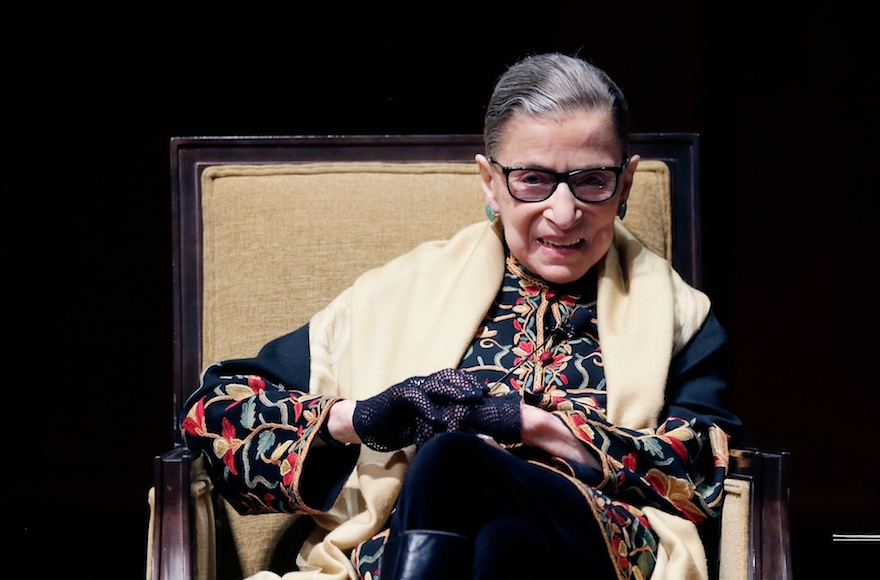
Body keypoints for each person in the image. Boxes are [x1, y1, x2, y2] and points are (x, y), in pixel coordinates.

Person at [181, 52, 742, 580]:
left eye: (593, 180)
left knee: (453, 459)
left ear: (626, 182)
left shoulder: (680, 315)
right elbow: (214, 413)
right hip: (455, 554)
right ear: (489, 182)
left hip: (599, 548)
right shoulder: (399, 293)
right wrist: (357, 418)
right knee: (506, 544)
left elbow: (704, 475)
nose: (565, 212)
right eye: (533, 179)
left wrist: (533, 425)